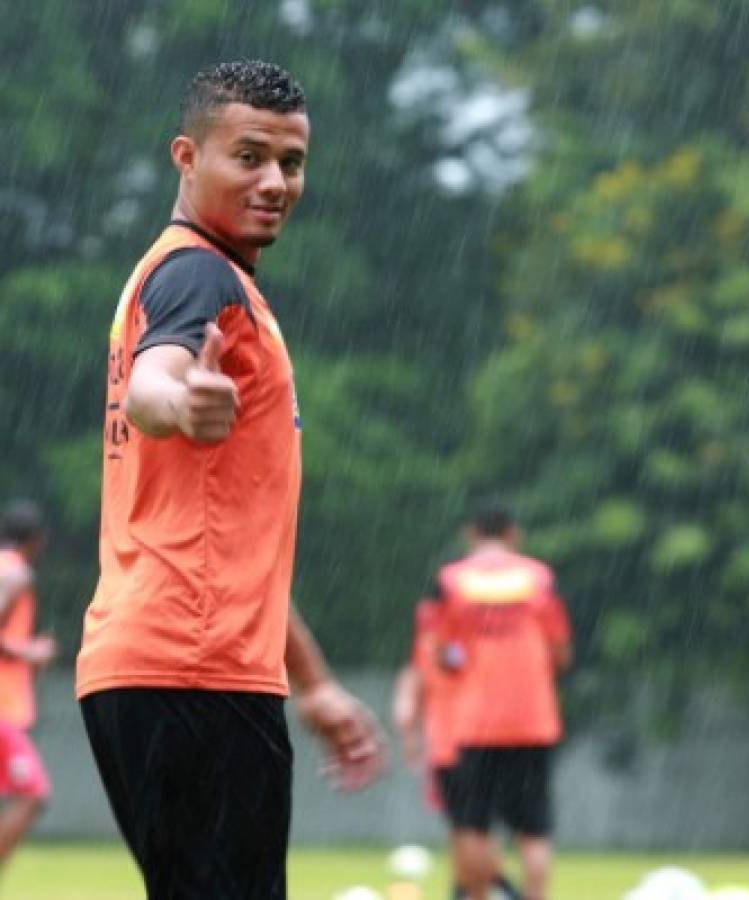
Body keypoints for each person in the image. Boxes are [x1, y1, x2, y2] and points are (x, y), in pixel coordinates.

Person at [75, 60, 384, 899]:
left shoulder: (204, 278)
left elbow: (230, 543)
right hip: (192, 672)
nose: (276, 181)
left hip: (170, 662)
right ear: (186, 155)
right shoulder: (197, 275)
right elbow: (152, 383)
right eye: (248, 156)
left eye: (292, 161)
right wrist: (179, 399)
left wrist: (312, 683)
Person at [407, 503, 571, 900]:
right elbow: (561, 653)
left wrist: (466, 660)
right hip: (532, 720)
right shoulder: (539, 579)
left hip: (473, 722)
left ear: (471, 533)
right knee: (533, 829)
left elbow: (440, 652)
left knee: (472, 824)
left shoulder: (450, 581)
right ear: (514, 534)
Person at [392, 598, 520, 900]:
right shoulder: (452, 642)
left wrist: (409, 732)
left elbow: (411, 690)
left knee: (469, 826)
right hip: (465, 742)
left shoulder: (442, 641)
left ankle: (489, 888)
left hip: (458, 743)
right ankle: (479, 888)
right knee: (470, 826)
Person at [0, 500, 56, 867]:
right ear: (35, 540)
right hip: (2, 708)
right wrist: (31, 653)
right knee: (34, 794)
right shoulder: (16, 573)